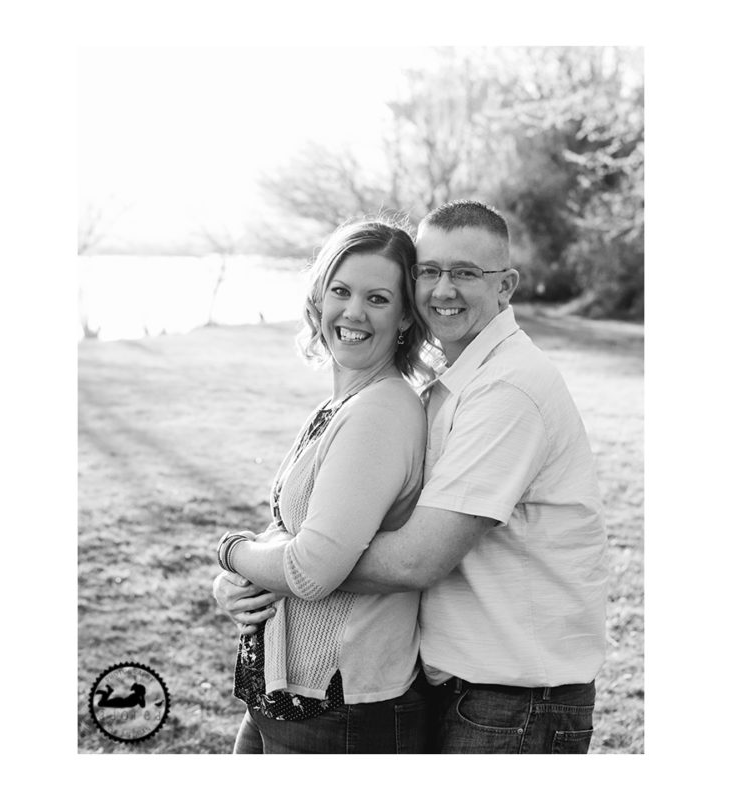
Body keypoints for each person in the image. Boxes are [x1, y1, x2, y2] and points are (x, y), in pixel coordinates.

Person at [224, 200, 609, 754]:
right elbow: (323, 528)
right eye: (429, 271)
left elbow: (413, 559)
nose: (443, 289)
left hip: (516, 699)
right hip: (462, 685)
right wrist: (269, 564)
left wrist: (257, 559)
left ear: (507, 286)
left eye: (466, 273)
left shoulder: (507, 390)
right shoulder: (451, 388)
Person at [212, 218, 436, 754]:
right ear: (320, 296)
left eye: (378, 298)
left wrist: (230, 552)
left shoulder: (381, 412)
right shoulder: (341, 406)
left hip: (340, 711)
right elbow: (289, 527)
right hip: (283, 693)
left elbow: (311, 569)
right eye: (341, 290)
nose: (353, 311)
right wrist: (233, 584)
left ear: (406, 315)